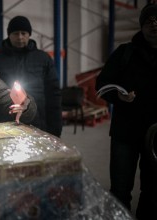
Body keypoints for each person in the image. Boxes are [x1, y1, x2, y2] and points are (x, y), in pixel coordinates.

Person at [95, 3, 157, 220]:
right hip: (125, 134)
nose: (154, 24)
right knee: (120, 191)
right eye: (149, 21)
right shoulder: (125, 53)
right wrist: (117, 96)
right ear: (141, 25)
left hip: (156, 136)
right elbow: (102, 83)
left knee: (152, 192)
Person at [0, 16, 62, 137]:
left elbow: (53, 94)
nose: (20, 37)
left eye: (24, 33)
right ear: (9, 35)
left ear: (29, 34)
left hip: (38, 122)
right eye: (15, 33)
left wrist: (55, 127)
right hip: (5, 122)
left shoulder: (43, 59)